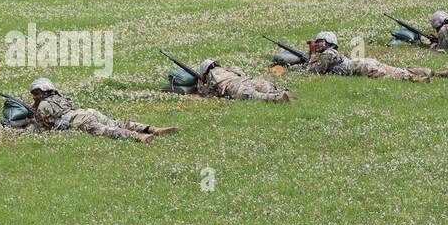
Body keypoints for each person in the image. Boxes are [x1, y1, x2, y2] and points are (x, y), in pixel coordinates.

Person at [28, 79, 177, 142]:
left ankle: (138, 137)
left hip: (78, 121)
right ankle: (153, 129)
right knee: (117, 122)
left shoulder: (43, 106)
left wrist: (30, 123)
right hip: (88, 112)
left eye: (35, 94)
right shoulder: (60, 97)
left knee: (107, 130)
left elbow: (43, 128)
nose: (34, 97)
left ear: (40, 92)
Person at [305, 31, 448, 82]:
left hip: (361, 68)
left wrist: (311, 53)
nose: (317, 44)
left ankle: (416, 80)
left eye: (320, 42)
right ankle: (434, 72)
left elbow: (314, 71)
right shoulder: (332, 53)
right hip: (365, 63)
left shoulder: (328, 54)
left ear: (329, 43)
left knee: (391, 76)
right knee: (397, 70)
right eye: (316, 42)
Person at [196, 59, 295, 101]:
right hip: (246, 80)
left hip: (235, 87)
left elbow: (209, 93)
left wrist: (200, 86)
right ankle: (280, 93)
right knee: (264, 85)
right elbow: (240, 72)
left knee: (257, 96)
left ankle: (278, 98)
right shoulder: (228, 69)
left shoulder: (211, 75)